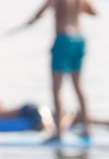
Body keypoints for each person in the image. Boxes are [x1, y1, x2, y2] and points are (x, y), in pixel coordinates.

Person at [24, 0, 98, 141]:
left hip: (63, 38)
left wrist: (32, 21)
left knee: (56, 88)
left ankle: (59, 132)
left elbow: (37, 14)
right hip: (79, 39)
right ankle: (87, 128)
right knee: (78, 85)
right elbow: (94, 13)